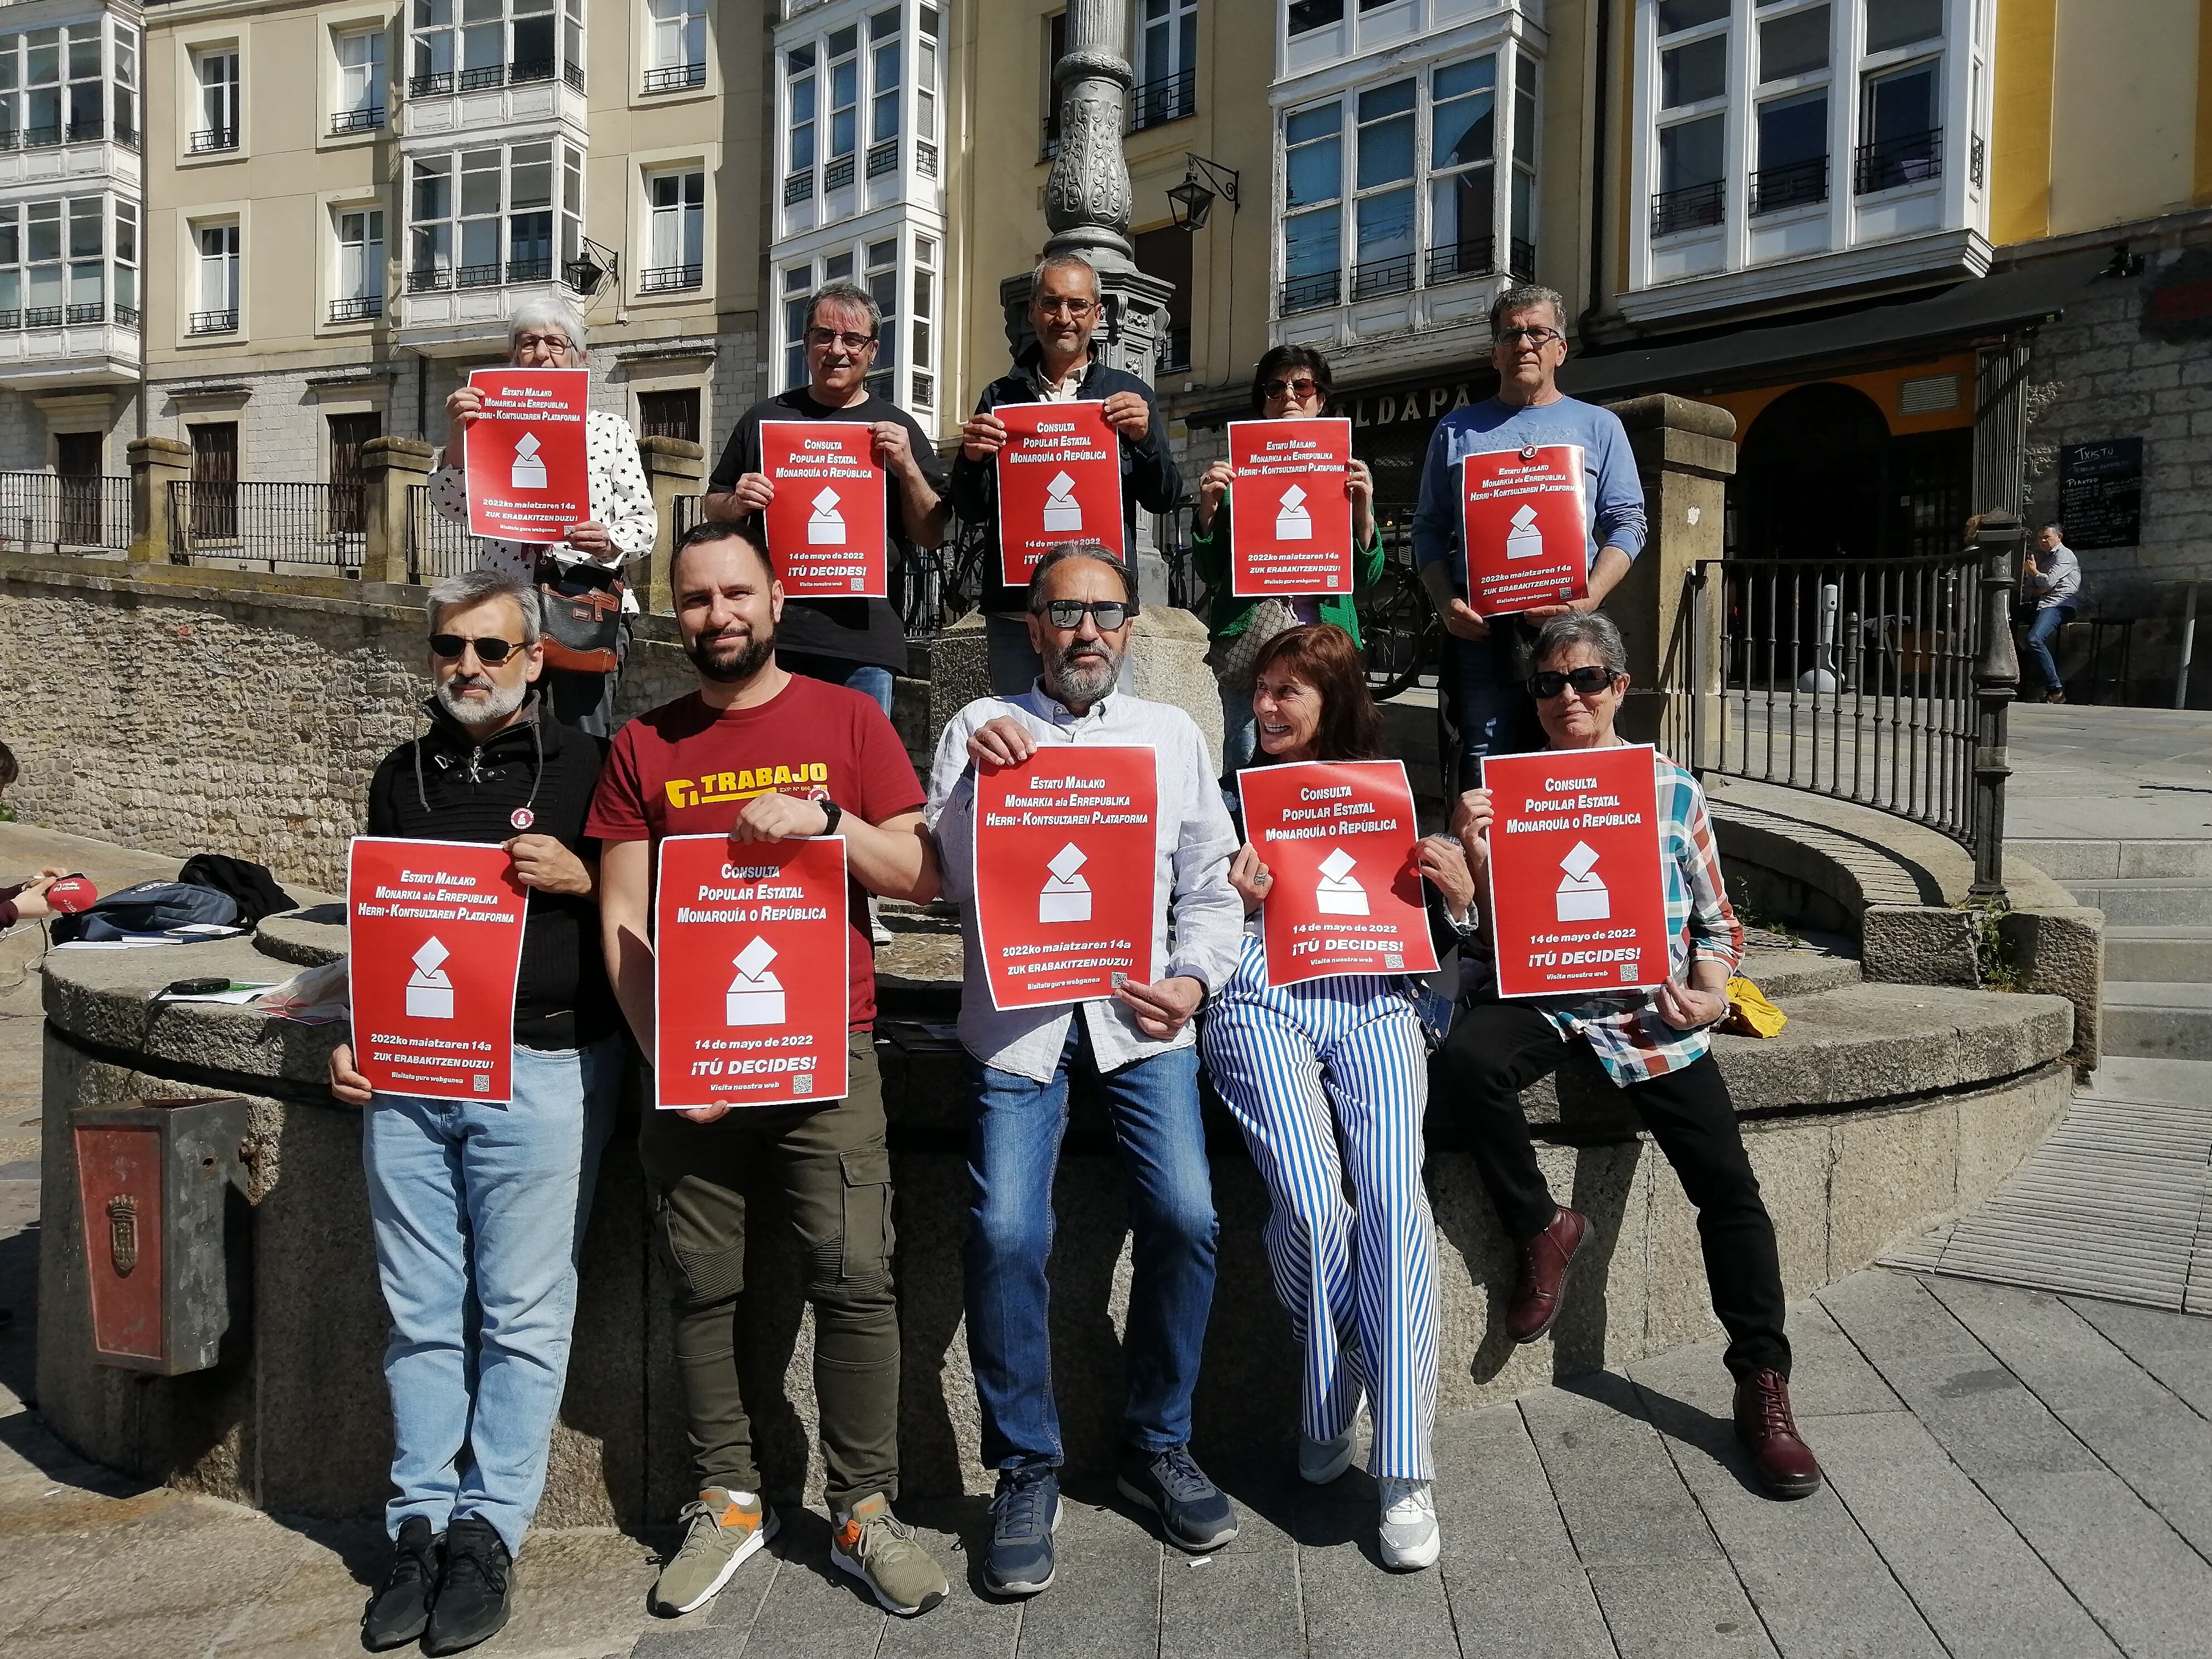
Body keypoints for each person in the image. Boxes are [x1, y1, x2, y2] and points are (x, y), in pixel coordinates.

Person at [588, 520, 950, 1621]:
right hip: (692, 1060)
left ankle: (862, 1511)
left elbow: (924, 874)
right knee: (702, 1288)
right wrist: (666, 1060)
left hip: (825, 1045)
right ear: (675, 611)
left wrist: (825, 821)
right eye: (696, 599)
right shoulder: (645, 745)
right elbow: (621, 917)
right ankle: (728, 1498)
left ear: (778, 599)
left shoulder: (844, 721)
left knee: (854, 1277)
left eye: (737, 593)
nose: (719, 616)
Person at [1437, 610, 1823, 1502]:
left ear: (1619, 688)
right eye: (1547, 683)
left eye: (1584, 680)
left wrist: (1714, 988)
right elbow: (1489, 939)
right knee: (1464, 1065)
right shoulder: (1508, 792)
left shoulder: (1672, 791)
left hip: (1650, 1012)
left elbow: (1720, 926)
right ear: (1532, 699)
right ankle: (1543, 1226)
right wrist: (1472, 860)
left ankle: (1763, 1385)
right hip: (1549, 998)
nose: (1566, 697)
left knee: (1728, 1190)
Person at [926, 541, 1245, 1596]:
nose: (1087, 634)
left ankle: (1158, 1443)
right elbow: (949, 892)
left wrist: (1193, 982)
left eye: (1106, 614)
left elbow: (1210, 888)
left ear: (1128, 626)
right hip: (1018, 1022)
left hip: (1138, 1014)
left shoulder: (1169, 737)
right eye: (1066, 614)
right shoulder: (978, 729)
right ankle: (1026, 1467)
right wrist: (982, 790)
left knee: (1190, 1216)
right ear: (1033, 626)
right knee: (1006, 1228)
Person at [329, 569, 624, 1655]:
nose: (467, 668)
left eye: (490, 651)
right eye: (451, 649)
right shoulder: (398, 777)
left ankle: (488, 1528)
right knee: (417, 1312)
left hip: (544, 1073)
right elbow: (380, 926)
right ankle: (416, 1523)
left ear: (535, 662)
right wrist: (353, 1034)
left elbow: (646, 907)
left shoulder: (590, 767)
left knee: (521, 1314)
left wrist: (585, 878)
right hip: (411, 1076)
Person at [1198, 624, 1476, 1571]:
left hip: (1370, 1001)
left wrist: (1461, 898)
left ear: (1335, 703)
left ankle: (1403, 1472)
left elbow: (1442, 946)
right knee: (1312, 1206)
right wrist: (1228, 900)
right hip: (1258, 994)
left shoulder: (1388, 796)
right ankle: (1335, 1396)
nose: (1267, 707)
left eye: (1289, 693)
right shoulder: (1222, 797)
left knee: (1395, 1197)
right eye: (1262, 689)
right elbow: (1174, 922)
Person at [1410, 284, 1647, 791]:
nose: (1524, 344)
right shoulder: (1456, 431)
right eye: (1511, 335)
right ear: (1494, 352)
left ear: (1560, 348)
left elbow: (1629, 523)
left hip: (1571, 623)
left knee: (1579, 744)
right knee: (1484, 755)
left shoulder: (1599, 426)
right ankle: (1485, 867)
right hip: (1482, 631)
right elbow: (1428, 527)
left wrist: (1590, 596)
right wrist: (1445, 601)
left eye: (1538, 332)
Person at [703, 277, 949, 717]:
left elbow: (932, 535)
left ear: (873, 351)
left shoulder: (899, 428)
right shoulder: (764, 419)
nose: (838, 349)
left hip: (866, 641)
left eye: (853, 339)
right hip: (775, 634)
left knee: (852, 774)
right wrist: (737, 501)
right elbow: (712, 506)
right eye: (825, 335)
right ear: (806, 343)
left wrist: (908, 467)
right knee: (774, 771)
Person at [948, 253, 1182, 695]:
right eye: (1052, 303)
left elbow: (1164, 497)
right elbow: (971, 509)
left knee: (1107, 734)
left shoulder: (1129, 394)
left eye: (1077, 305)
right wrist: (971, 459)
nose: (1064, 317)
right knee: (1022, 736)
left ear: (1097, 314)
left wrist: (1146, 439)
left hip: (1102, 614)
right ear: (1033, 310)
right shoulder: (1000, 397)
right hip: (1020, 614)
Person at [429, 297, 658, 736]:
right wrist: (457, 436)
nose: (541, 353)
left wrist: (609, 539)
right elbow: (453, 507)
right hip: (506, 604)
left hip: (585, 604)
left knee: (583, 738)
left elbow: (644, 524)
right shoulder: (486, 426)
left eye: (556, 342)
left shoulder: (609, 429)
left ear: (580, 357)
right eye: (528, 342)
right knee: (498, 728)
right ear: (512, 356)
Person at [1190, 347, 1387, 773]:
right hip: (1252, 646)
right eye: (1275, 388)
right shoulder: (1238, 473)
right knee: (1248, 758)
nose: (1290, 396)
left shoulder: (1347, 471)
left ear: (1322, 399)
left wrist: (1363, 512)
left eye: (1303, 385)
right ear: (1262, 402)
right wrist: (1208, 511)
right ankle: (1251, 838)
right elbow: (1210, 571)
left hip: (1325, 638)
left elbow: (1367, 574)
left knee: (1334, 753)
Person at [2025, 521, 2083, 703]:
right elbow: (2031, 590)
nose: (2042, 541)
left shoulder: (2065, 556)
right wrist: (2038, 582)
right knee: (2004, 619)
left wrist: (2035, 573)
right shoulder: (2045, 559)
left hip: (2059, 605)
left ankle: (2056, 690)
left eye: (2046, 537)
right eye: (2040, 538)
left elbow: (2047, 583)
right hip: (2041, 603)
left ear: (2059, 537)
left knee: (2035, 639)